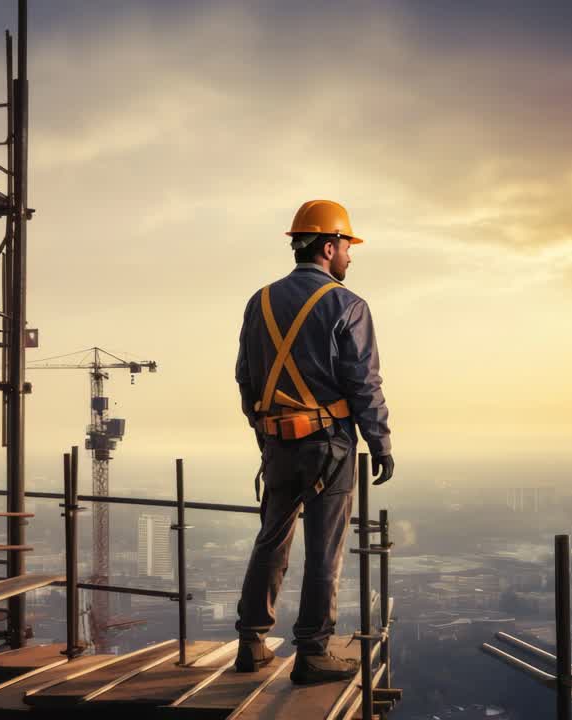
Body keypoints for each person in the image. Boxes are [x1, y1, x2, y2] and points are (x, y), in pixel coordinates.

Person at [233, 199, 393, 685]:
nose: (350, 256)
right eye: (347, 245)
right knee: (324, 548)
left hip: (278, 444)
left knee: (272, 540)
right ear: (328, 245)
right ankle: (313, 651)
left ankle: (252, 642)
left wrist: (266, 432)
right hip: (330, 447)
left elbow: (245, 377)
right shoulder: (348, 305)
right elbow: (364, 384)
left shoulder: (258, 301)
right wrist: (380, 442)